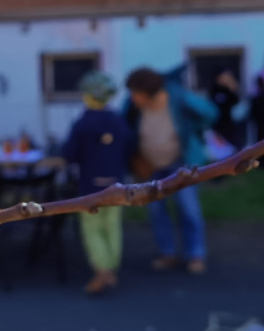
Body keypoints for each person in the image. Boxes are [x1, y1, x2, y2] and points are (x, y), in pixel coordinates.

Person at [124, 67, 219, 275]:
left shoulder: (177, 98)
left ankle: (195, 254)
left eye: (136, 93)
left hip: (181, 164)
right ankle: (167, 253)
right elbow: (123, 125)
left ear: (148, 92)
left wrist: (194, 128)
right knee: (156, 211)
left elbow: (210, 113)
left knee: (189, 208)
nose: (132, 97)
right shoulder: (132, 106)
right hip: (150, 166)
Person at [61, 71, 131, 295]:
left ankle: (102, 271)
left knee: (93, 228)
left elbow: (69, 154)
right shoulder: (119, 121)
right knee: (112, 227)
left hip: (90, 185)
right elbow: (129, 149)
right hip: (117, 184)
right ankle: (112, 269)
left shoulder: (83, 123)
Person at [211, 69, 244, 150]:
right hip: (218, 126)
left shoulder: (227, 90)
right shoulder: (214, 90)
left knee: (235, 148)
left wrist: (233, 89)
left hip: (230, 125)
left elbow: (236, 101)